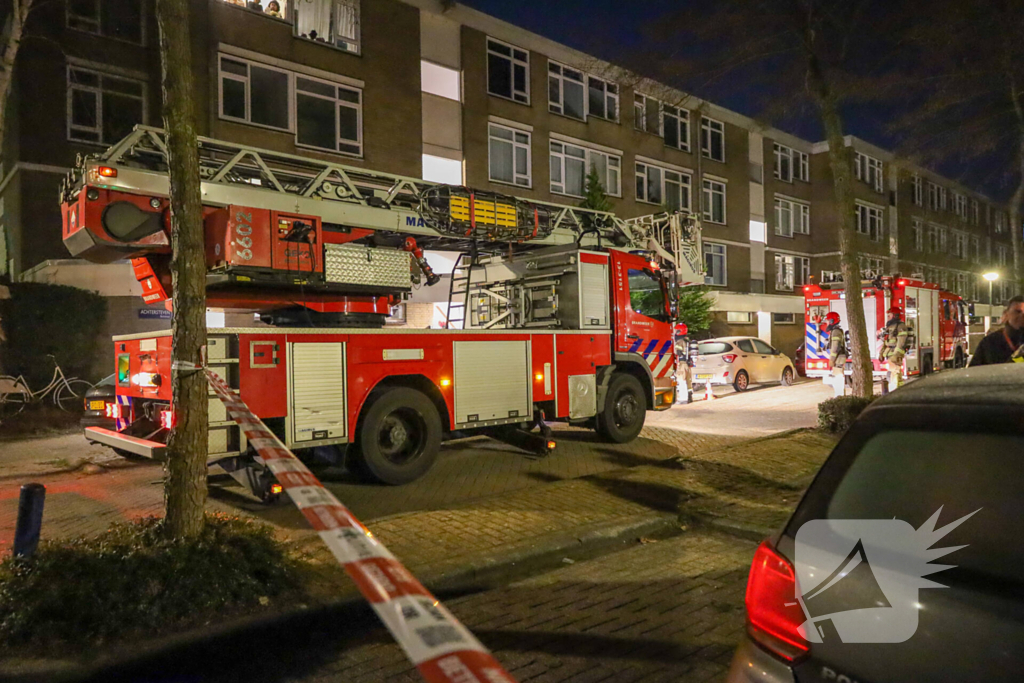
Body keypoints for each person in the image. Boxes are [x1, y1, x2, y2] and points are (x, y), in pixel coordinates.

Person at [968, 295, 1024, 366]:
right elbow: (974, 372)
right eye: (1018, 312)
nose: (1022, 316)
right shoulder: (989, 343)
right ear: (1006, 315)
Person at [879, 305, 909, 393]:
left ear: (895, 315)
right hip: (889, 353)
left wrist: (896, 354)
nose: (888, 317)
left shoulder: (900, 326)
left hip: (894, 353)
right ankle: (899, 391)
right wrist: (881, 353)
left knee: (894, 373)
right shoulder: (890, 326)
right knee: (895, 374)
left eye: (889, 315)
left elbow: (901, 342)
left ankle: (894, 392)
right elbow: (886, 341)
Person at [824, 312, 847, 397]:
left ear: (831, 321)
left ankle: (839, 396)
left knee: (838, 377)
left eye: (827, 320)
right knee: (838, 377)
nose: (826, 323)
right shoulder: (836, 331)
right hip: (839, 358)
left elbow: (835, 347)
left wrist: (831, 360)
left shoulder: (836, 332)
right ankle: (839, 395)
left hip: (838, 359)